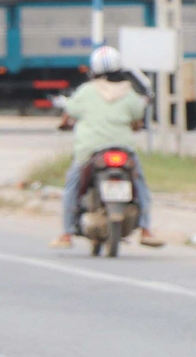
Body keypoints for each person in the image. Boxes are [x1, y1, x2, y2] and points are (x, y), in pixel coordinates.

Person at [50, 45, 160, 249]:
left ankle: (66, 233)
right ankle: (146, 229)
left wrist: (65, 123)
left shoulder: (85, 91)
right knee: (141, 184)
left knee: (72, 185)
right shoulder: (128, 92)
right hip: (123, 149)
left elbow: (70, 111)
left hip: (90, 150)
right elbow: (137, 118)